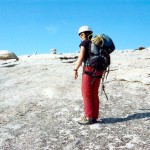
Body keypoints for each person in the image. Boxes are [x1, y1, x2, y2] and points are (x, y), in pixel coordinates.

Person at [74, 25, 104, 125]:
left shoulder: (84, 42)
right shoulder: (97, 43)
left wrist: (75, 69)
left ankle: (88, 117)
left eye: (82, 34)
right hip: (99, 71)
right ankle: (94, 116)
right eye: (80, 35)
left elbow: (81, 57)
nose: (81, 36)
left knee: (86, 94)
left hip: (88, 70)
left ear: (85, 34)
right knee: (94, 93)